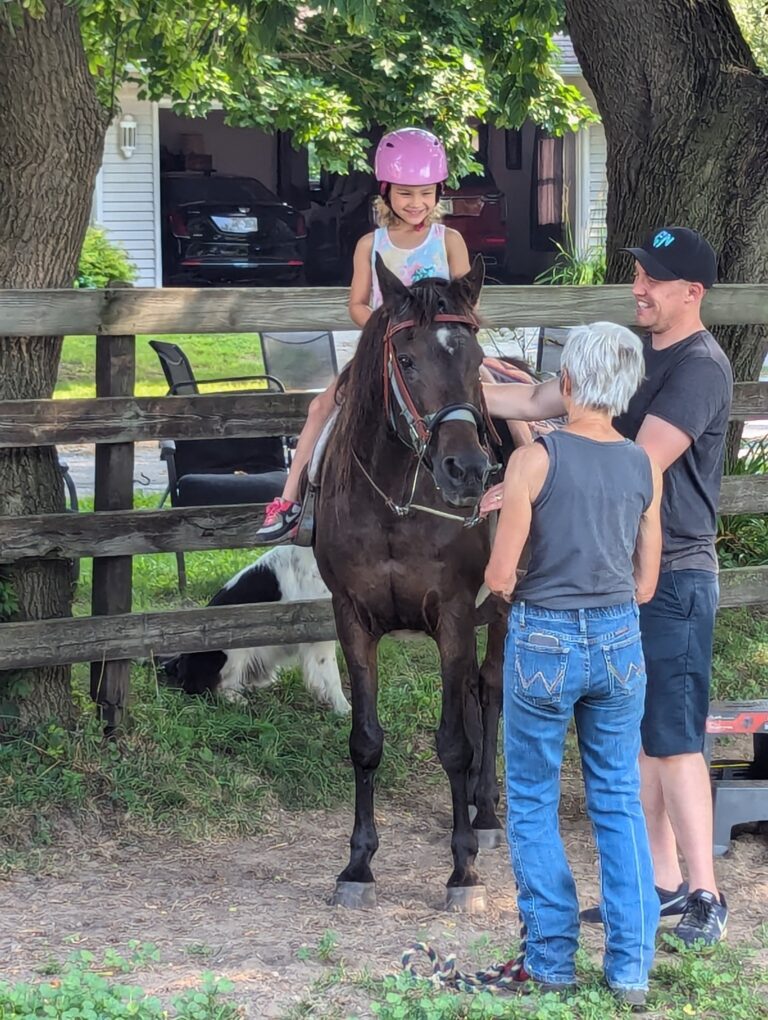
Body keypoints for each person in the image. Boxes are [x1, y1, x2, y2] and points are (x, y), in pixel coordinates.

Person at [482, 226, 733, 949]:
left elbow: (634, 464)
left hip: (677, 571)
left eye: (653, 279)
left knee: (675, 738)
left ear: (693, 292)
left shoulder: (700, 367)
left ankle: (706, 893)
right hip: (622, 576)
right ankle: (658, 886)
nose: (638, 288)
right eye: (637, 274)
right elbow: (548, 400)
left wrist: (533, 478)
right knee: (637, 746)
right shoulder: (634, 359)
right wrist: (468, 381)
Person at [485, 322, 663, 1008]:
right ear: (626, 388)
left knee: (532, 802)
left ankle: (553, 961)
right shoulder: (642, 463)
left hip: (545, 643)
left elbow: (500, 577)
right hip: (621, 640)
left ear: (565, 384)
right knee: (617, 802)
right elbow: (646, 583)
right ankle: (630, 971)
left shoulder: (533, 462)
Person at [255, 127, 471, 543]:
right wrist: (383, 325)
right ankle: (292, 502)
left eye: (426, 193)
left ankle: (525, 484)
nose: (417, 203)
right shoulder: (370, 245)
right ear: (386, 192)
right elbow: (357, 303)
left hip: (443, 355)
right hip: (388, 352)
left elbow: (464, 299)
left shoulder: (450, 241)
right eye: (406, 194)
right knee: (321, 407)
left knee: (500, 398)